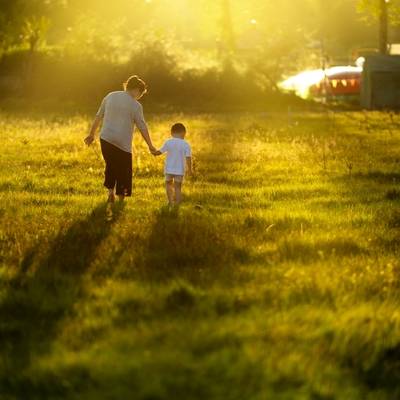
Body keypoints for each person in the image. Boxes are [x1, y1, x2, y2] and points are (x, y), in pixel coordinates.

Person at [84, 75, 157, 203]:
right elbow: (142, 127)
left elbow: (98, 116)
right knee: (124, 170)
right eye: (141, 93)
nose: (139, 96)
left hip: (106, 138)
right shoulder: (136, 105)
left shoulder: (110, 96)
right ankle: (121, 200)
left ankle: (110, 193)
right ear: (136, 90)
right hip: (122, 143)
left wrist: (91, 134)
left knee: (110, 166)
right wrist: (150, 145)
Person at [153, 123, 193, 206]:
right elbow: (188, 158)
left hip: (169, 170)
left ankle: (170, 202)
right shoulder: (186, 144)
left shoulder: (168, 142)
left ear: (171, 133)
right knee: (178, 187)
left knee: (168, 184)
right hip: (179, 170)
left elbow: (160, 152)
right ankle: (177, 204)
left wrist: (154, 152)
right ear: (184, 133)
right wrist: (190, 169)